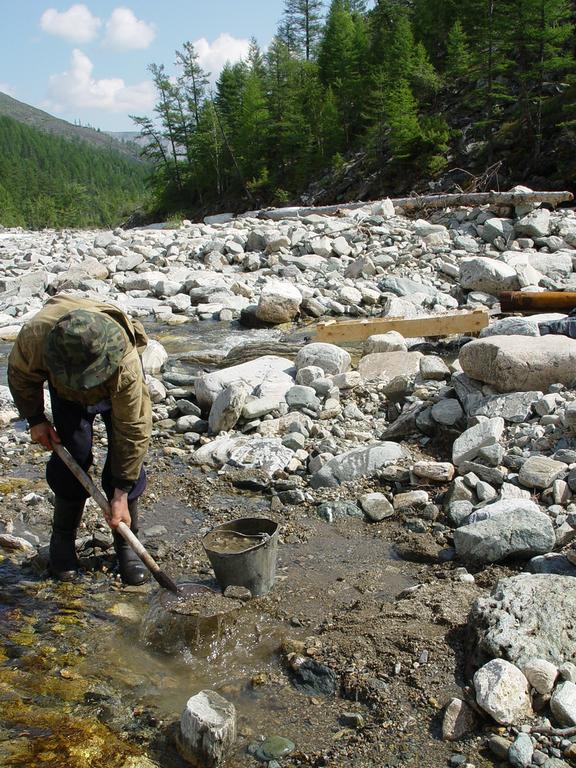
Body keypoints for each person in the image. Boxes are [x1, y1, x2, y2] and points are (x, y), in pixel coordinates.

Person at [7, 294, 153, 585]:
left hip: (112, 381)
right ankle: (62, 539)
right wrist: (35, 419)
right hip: (65, 390)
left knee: (123, 459)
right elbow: (20, 375)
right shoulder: (36, 337)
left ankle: (127, 542)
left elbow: (133, 430)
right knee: (73, 453)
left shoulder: (124, 363)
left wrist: (121, 493)